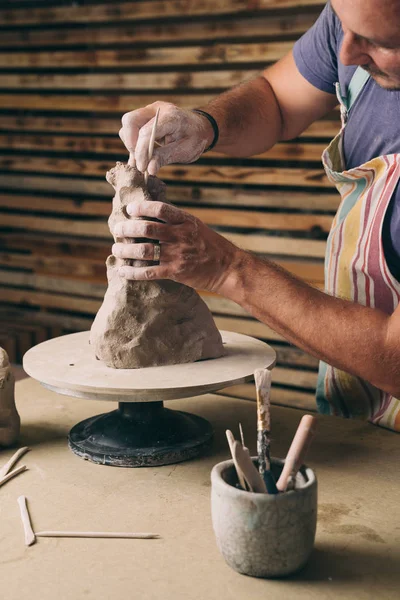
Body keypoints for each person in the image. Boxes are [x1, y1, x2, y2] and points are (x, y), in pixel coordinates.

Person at [115, 0, 400, 432]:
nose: (346, 53)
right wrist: (206, 124)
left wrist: (227, 269)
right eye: (342, 24)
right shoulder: (358, 19)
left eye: (379, 43)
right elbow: (279, 100)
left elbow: (394, 355)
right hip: (361, 404)